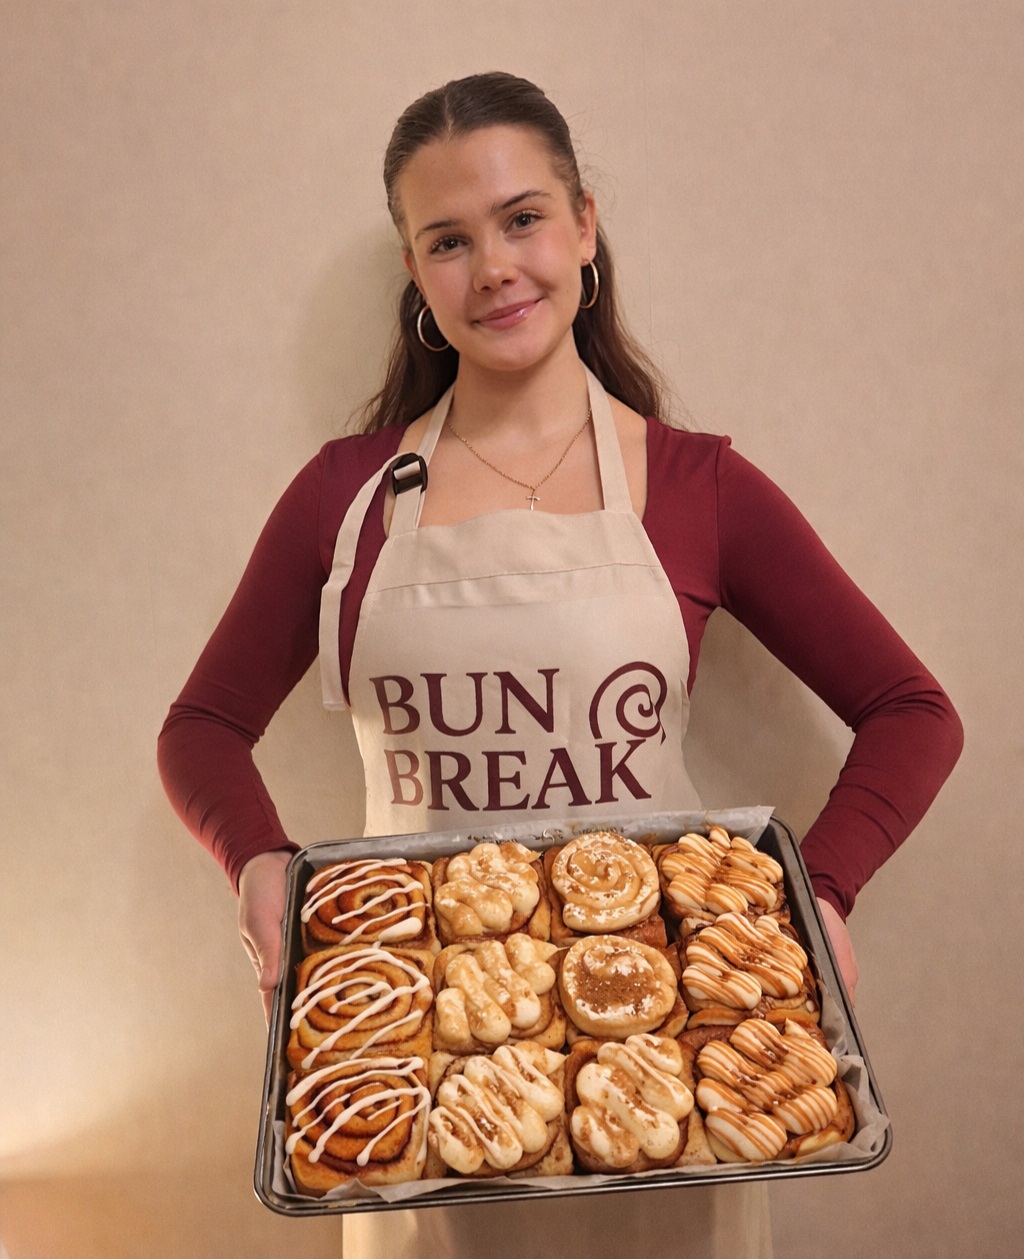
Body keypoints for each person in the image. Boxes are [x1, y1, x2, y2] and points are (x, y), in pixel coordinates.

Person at [158, 71, 962, 1259]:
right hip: (419, 1087)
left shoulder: (698, 487)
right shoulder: (345, 497)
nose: (492, 267)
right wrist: (259, 862)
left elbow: (912, 710)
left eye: (523, 217)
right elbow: (201, 727)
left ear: (586, 224)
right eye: (448, 239)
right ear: (416, 272)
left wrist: (818, 890)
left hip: (667, 1077)